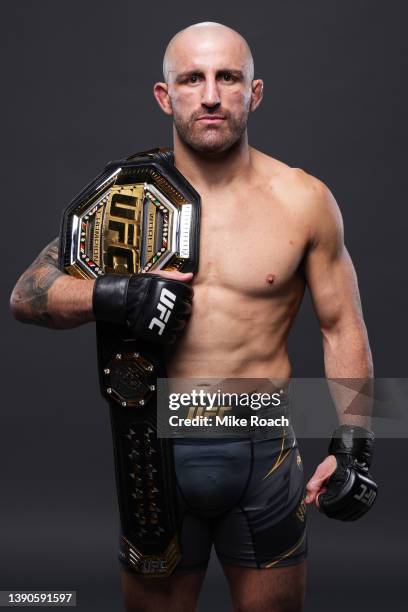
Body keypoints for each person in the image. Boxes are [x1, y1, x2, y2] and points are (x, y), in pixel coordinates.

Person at [10, 21, 376, 612]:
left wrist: (358, 441)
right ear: (165, 95)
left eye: (228, 78)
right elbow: (26, 296)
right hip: (151, 453)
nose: (210, 95)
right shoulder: (122, 200)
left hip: (266, 449)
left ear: (254, 93)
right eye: (192, 79)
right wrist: (115, 294)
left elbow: (344, 326)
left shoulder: (305, 199)